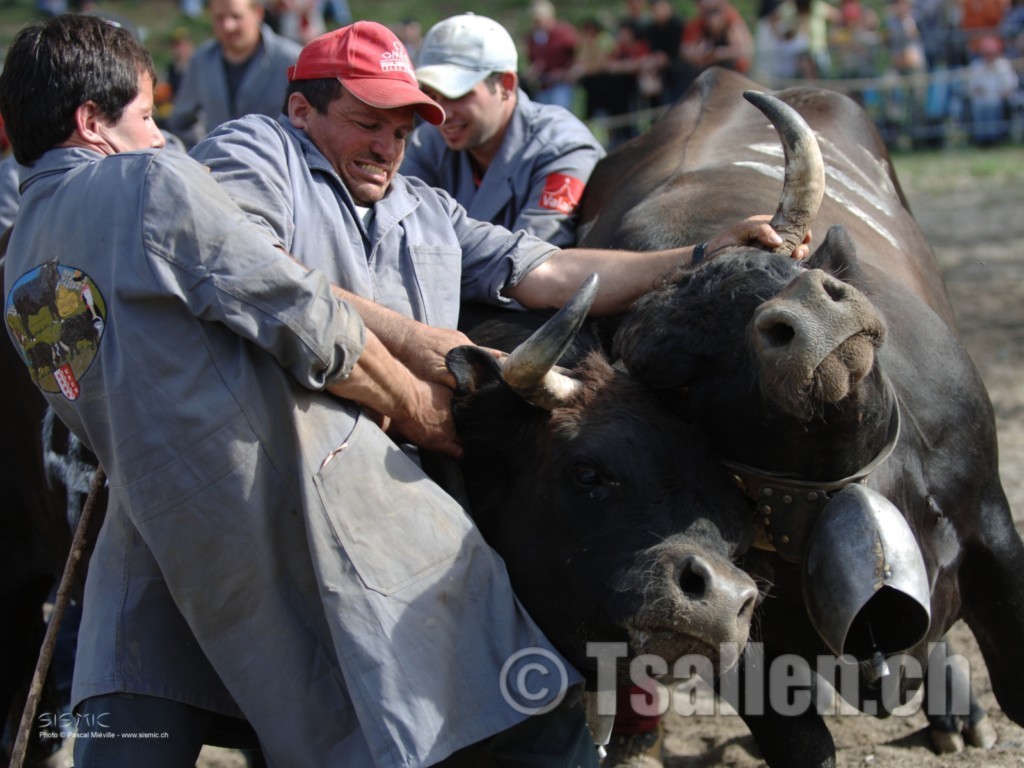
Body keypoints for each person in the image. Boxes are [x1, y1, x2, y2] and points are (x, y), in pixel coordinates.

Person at [186, 18, 808, 768]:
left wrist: (702, 254)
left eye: (402, 130)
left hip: (403, 470)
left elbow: (547, 271)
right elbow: (250, 268)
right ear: (300, 111)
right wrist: (419, 344)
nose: (388, 145)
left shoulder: (424, 206)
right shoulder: (258, 152)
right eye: (367, 123)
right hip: (277, 464)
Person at [0, 13, 590, 768]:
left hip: (149, 532)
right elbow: (305, 316)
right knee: (524, 708)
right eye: (145, 116)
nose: (159, 135)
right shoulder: (148, 179)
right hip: (306, 504)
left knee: (130, 742)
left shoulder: (19, 258)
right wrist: (423, 409)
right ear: (91, 123)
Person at [400, 13, 606, 248]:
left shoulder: (563, 147)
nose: (442, 114)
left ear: (506, 85)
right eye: (431, 96)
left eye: (457, 94)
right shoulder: (428, 143)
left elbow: (528, 259)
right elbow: (396, 234)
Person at [164, 0, 302, 147]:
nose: (228, 26)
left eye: (236, 16)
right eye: (219, 18)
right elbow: (181, 121)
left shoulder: (291, 60)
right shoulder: (201, 61)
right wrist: (203, 152)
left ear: (258, 13)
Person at [680, 0, 755, 87]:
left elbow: (745, 49)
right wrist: (699, 53)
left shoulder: (731, 22)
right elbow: (686, 51)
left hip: (735, 74)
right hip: (708, 73)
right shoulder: (697, 25)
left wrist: (721, 53)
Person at [525, 0, 579, 110]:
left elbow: (577, 54)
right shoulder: (534, 38)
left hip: (561, 84)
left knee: (559, 111)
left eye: (539, 21)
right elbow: (533, 60)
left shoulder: (563, 33)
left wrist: (568, 71)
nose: (537, 24)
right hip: (542, 85)